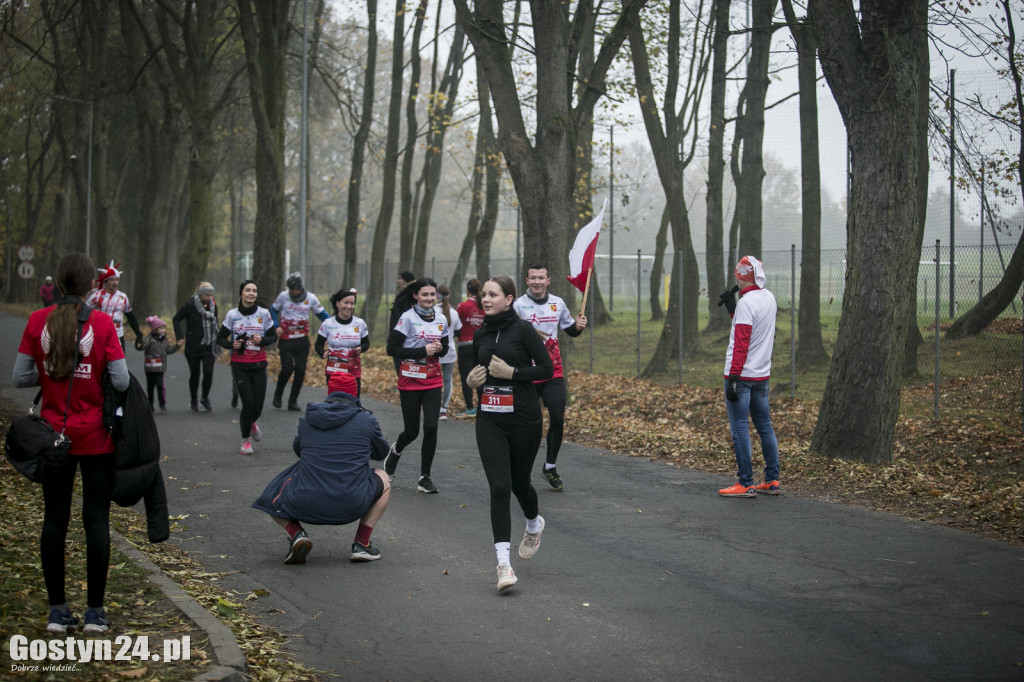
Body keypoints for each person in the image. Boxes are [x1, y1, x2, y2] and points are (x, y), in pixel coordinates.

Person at [13, 253, 130, 634]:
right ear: (90, 286)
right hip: (96, 438)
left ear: (58, 283)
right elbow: (123, 381)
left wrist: (52, 377)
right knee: (96, 521)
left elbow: (20, 377)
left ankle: (57, 613)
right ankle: (95, 614)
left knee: (55, 520)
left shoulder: (36, 320)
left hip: (52, 439)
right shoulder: (100, 322)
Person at [465, 276, 554, 591]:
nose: (486, 299)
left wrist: (513, 373)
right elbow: (479, 376)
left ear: (509, 298)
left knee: (519, 483)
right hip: (490, 419)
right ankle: (504, 565)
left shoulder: (524, 330)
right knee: (500, 488)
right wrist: (473, 385)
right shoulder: (480, 335)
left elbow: (546, 369)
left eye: (493, 294)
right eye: (483, 294)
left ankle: (533, 523)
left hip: (524, 420)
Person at [252, 390, 392, 564]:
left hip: (305, 501)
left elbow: (299, 450)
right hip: (352, 501)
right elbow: (382, 453)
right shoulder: (366, 420)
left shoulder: (307, 419)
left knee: (271, 495)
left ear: (329, 393)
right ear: (354, 394)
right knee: (384, 477)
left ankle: (297, 534)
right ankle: (361, 543)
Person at [513, 264, 587, 491]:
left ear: (548, 280)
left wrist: (579, 326)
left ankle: (550, 466)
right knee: (528, 424)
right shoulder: (518, 306)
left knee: (557, 418)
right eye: (533, 278)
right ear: (526, 280)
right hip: (527, 374)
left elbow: (570, 330)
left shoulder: (558, 303)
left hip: (553, 371)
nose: (537, 282)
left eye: (541, 278)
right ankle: (520, 468)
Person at [718, 255, 781, 498]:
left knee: (740, 427)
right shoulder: (768, 298)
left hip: (741, 376)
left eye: (738, 276)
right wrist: (733, 309)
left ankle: (746, 482)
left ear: (742, 277)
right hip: (761, 375)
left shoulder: (747, 303)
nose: (736, 279)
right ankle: (772, 480)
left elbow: (742, 342)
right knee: (765, 426)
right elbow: (751, 329)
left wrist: (733, 377)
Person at [382, 277, 449, 493]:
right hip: (410, 380)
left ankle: (424, 477)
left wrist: (439, 349)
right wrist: (422, 351)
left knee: (431, 427)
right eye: (425, 294)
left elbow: (445, 348)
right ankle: (396, 450)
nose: (429, 298)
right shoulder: (407, 318)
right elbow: (392, 349)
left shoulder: (441, 319)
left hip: (432, 380)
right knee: (412, 431)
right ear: (416, 296)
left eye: (432, 294)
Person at [217, 280, 278, 456]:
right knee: (248, 403)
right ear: (241, 294)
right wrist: (232, 344)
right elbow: (220, 338)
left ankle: (251, 423)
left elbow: (273, 336)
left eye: (254, 291)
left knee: (257, 406)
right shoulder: (232, 314)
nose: (251, 293)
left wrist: (262, 340)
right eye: (247, 290)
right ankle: (245, 441)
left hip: (259, 364)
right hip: (240, 365)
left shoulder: (264, 314)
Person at [270, 272, 329, 411]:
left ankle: (293, 401)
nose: (291, 292)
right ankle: (278, 394)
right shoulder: (283, 296)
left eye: (294, 289)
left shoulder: (311, 298)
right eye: (289, 288)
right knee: (287, 368)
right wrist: (276, 325)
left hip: (302, 341)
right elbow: (272, 310)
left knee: (300, 370)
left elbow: (323, 315)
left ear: (300, 288)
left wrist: (333, 327)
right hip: (286, 340)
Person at [172, 281, 219, 412]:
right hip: (193, 346)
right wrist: (180, 337)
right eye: (207, 295)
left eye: (211, 295)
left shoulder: (213, 306)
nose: (210, 298)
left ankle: (205, 398)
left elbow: (216, 322)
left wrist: (219, 337)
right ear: (201, 294)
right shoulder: (190, 306)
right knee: (195, 374)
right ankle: (194, 399)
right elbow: (176, 319)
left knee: (208, 372)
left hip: (210, 345)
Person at [315, 287, 369, 398]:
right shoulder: (328, 323)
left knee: (353, 401)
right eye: (346, 303)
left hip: (353, 369)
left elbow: (366, 343)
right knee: (335, 401)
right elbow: (318, 344)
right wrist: (322, 352)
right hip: (334, 369)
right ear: (338, 304)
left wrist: (361, 348)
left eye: (352, 303)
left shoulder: (360, 323)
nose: (349, 307)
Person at [86, 260, 144, 353]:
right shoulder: (96, 296)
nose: (115, 283)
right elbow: (84, 312)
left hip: (118, 336)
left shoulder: (123, 297)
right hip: (101, 336)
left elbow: (130, 317)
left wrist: (139, 335)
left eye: (117, 280)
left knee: (120, 366)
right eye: (112, 280)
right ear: (106, 281)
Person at [455, 278, 484, 416]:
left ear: (467, 290)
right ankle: (481, 407)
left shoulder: (462, 306)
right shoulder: (484, 305)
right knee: (480, 376)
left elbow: (456, 325)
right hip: (480, 345)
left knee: (466, 377)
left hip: (464, 345)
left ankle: (470, 408)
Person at [140, 316, 179, 412]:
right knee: (150, 386)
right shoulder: (149, 339)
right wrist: (139, 345)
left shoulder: (164, 340)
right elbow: (142, 346)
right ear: (155, 329)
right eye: (161, 328)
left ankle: (162, 403)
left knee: (159, 385)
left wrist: (177, 346)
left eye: (164, 328)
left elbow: (168, 350)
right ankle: (150, 402)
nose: (163, 330)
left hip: (160, 367)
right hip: (150, 367)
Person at [436, 284, 462, 420]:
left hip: (434, 351)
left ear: (437, 295)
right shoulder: (454, 313)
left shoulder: (433, 311)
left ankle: (433, 406)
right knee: (447, 380)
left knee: (434, 380)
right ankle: (443, 410)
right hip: (450, 351)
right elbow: (458, 330)